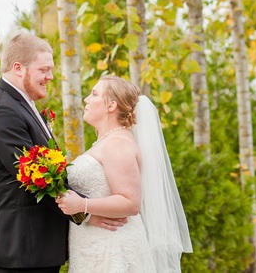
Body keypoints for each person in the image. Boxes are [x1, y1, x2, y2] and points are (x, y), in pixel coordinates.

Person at [0, 33, 124, 273]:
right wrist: (84, 212)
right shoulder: (1, 111)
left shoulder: (19, 104)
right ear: (18, 68)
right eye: (44, 70)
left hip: (34, 248)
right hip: (21, 248)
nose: (50, 77)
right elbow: (39, 178)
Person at [56, 76, 192, 272]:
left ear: (111, 105)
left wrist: (82, 205)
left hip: (113, 250)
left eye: (94, 94)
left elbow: (131, 202)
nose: (86, 99)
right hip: (94, 248)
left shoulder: (118, 144)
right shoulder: (108, 141)